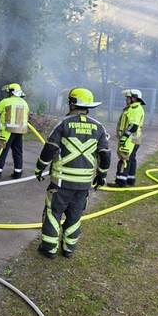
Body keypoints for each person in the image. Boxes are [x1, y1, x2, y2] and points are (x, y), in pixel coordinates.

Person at [34, 87, 111, 258]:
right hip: (83, 184)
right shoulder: (99, 127)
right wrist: (102, 175)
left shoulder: (63, 124)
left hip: (61, 182)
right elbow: (105, 154)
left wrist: (40, 168)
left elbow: (50, 148)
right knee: (75, 215)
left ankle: (49, 249)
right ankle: (68, 248)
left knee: (53, 213)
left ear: (73, 103)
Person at [0, 83, 30, 179]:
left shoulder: (6, 101)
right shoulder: (24, 103)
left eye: (8, 91)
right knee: (18, 152)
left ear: (11, 92)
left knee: (1, 151)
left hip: (7, 131)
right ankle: (18, 173)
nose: (8, 93)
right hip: (19, 132)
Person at [114, 89, 146, 187]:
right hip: (136, 137)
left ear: (134, 98)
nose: (126, 99)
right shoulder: (137, 107)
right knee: (132, 158)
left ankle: (120, 182)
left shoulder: (134, 109)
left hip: (129, 138)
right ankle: (130, 180)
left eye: (128, 97)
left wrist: (124, 137)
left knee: (124, 158)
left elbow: (133, 126)